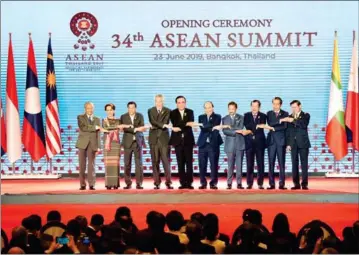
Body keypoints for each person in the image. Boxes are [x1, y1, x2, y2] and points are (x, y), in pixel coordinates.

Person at [258, 97, 288, 189]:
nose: (275, 105)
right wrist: (279, 121)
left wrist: (274, 127)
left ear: (280, 104)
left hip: (281, 141)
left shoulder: (285, 113)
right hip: (271, 142)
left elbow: (284, 126)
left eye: (277, 104)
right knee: (271, 163)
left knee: (281, 163)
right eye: (274, 103)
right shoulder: (269, 113)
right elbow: (270, 123)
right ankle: (271, 184)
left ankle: (282, 184)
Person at [281, 100, 311, 190]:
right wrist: (288, 144)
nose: (293, 109)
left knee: (304, 164)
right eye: (292, 107)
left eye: (295, 107)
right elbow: (289, 132)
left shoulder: (305, 115)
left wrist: (293, 120)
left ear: (300, 106)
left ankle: (304, 184)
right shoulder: (289, 116)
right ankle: (296, 184)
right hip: (293, 144)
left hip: (303, 143)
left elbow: (303, 124)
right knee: (294, 164)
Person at [76, 102, 105, 190]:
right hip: (82, 144)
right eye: (88, 108)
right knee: (82, 165)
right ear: (85, 109)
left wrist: (99, 146)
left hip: (93, 144)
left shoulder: (97, 119)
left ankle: (92, 184)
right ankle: (82, 184)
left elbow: (98, 133)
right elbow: (83, 128)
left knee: (91, 165)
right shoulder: (80, 117)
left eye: (91, 108)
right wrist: (95, 127)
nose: (90, 110)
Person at [222, 101, 251, 189]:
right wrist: (235, 131)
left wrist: (231, 128)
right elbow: (225, 131)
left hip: (240, 144)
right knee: (230, 165)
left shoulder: (241, 117)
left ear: (236, 109)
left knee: (239, 165)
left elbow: (240, 127)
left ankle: (239, 183)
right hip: (229, 144)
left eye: (233, 109)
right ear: (228, 109)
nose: (231, 110)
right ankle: (229, 183)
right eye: (229, 109)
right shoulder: (224, 118)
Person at [102, 103, 131, 189]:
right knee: (108, 164)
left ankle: (115, 184)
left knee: (115, 164)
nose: (109, 112)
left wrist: (121, 127)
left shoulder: (119, 120)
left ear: (114, 110)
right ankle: (108, 184)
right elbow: (107, 128)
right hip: (107, 143)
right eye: (107, 110)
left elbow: (120, 129)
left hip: (116, 144)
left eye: (111, 110)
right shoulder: (104, 120)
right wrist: (118, 127)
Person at [169, 96, 195, 189]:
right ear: (176, 103)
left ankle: (189, 182)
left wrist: (184, 124)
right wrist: (186, 123)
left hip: (188, 140)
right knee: (180, 163)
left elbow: (190, 123)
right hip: (177, 141)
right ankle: (182, 183)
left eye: (183, 102)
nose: (181, 104)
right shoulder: (172, 112)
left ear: (185, 103)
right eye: (179, 102)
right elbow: (175, 123)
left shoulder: (190, 111)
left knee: (189, 163)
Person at [148, 94, 173, 189]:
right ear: (155, 101)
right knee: (155, 162)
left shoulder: (168, 110)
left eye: (160, 101)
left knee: (166, 161)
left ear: (163, 101)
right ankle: (157, 182)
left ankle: (168, 182)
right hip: (153, 139)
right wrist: (162, 125)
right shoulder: (150, 110)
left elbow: (166, 121)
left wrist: (160, 125)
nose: (158, 103)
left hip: (164, 139)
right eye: (157, 101)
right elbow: (152, 121)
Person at [197, 101, 224, 190]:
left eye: (209, 107)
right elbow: (204, 128)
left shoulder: (218, 116)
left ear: (213, 107)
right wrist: (207, 126)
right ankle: (203, 183)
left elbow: (212, 125)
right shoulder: (201, 117)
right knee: (202, 164)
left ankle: (213, 183)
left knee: (214, 164)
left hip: (213, 144)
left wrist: (203, 125)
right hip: (202, 144)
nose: (208, 109)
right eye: (206, 108)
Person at [120, 101, 147, 189]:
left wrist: (131, 128)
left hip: (137, 142)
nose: (131, 109)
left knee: (139, 164)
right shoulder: (123, 116)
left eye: (133, 107)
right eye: (130, 107)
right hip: (127, 142)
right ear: (127, 108)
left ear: (135, 108)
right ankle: (128, 183)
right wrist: (135, 129)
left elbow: (142, 127)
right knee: (127, 164)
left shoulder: (140, 115)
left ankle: (139, 183)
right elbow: (123, 129)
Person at [244, 100, 267, 189]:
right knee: (249, 163)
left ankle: (260, 183)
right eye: (252, 106)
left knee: (260, 163)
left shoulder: (264, 116)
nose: (254, 108)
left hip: (260, 143)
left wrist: (254, 127)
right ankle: (249, 183)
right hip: (249, 142)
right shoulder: (246, 115)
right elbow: (247, 125)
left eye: (256, 106)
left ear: (259, 107)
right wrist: (256, 126)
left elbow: (261, 125)